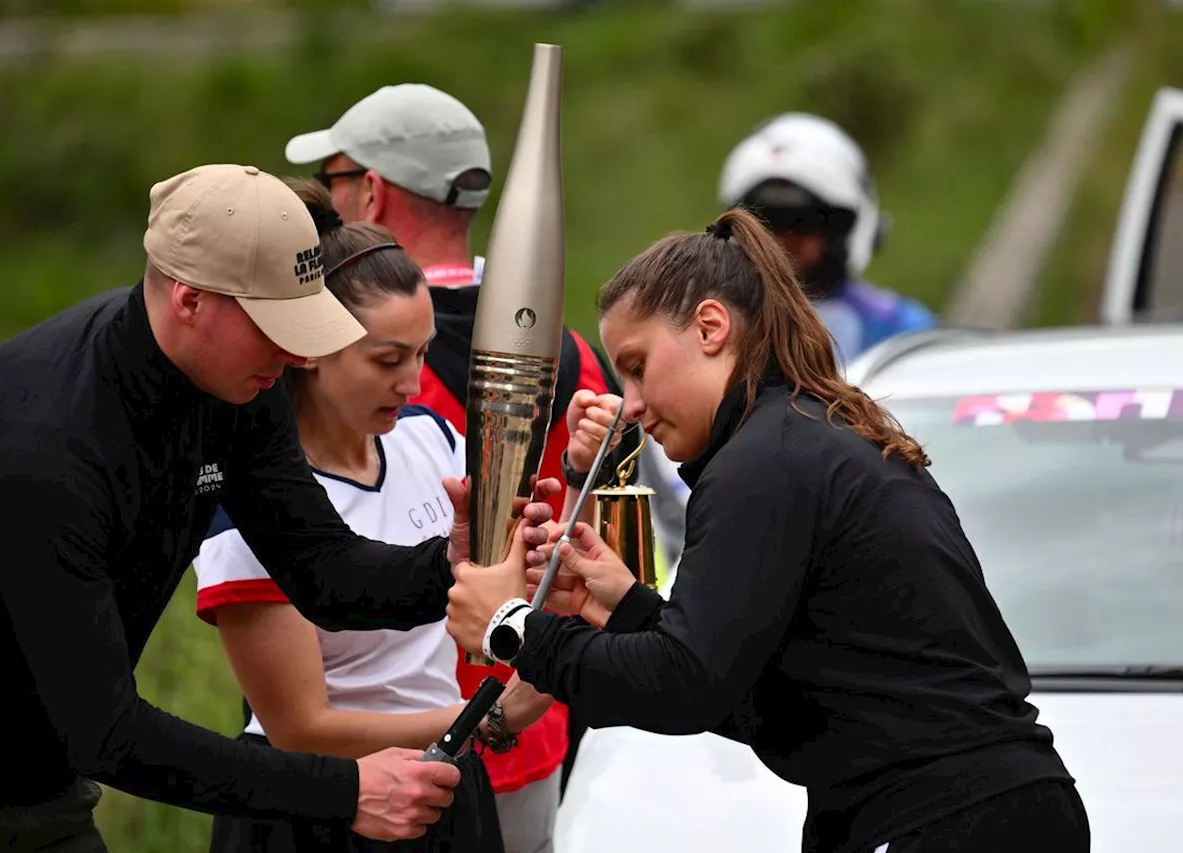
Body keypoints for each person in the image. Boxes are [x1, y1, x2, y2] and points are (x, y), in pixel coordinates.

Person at [0, 163, 558, 853]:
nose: (294, 351)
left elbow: (327, 574)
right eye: (275, 323)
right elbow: (105, 730)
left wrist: (448, 562)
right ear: (189, 299)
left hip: (50, 783)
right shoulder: (45, 442)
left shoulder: (241, 381)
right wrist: (343, 791)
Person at [443, 206, 1091, 853]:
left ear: (710, 327)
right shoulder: (795, 433)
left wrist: (512, 625)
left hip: (954, 818)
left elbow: (686, 685)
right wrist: (625, 606)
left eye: (637, 365)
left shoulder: (762, 459)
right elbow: (750, 692)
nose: (630, 404)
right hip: (977, 809)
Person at [284, 83, 630, 840]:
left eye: (336, 180)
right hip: (540, 725)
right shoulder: (572, 352)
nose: (402, 380)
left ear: (369, 189)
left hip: (400, 758)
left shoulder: (345, 360)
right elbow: (607, 541)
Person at [193, 179, 555, 853]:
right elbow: (302, 726)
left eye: (421, 353)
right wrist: (487, 719)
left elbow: (485, 611)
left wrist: (541, 568)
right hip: (322, 810)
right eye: (388, 360)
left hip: (443, 786)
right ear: (310, 348)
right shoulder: (255, 506)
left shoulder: (433, 439)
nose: (413, 383)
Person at [638, 111, 940, 576]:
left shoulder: (904, 331)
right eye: (765, 224)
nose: (782, 242)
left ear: (842, 230)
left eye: (803, 223)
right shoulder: (703, 331)